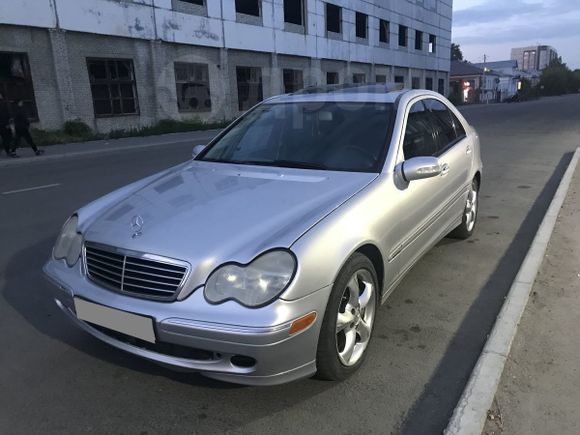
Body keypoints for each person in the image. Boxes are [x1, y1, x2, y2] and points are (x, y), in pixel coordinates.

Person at [0, 92, 17, 158]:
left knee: (7, 138)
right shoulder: (2, 105)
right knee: (6, 138)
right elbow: (4, 115)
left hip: (5, 124)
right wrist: (6, 124)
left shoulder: (3, 104)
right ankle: (7, 151)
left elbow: (7, 114)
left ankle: (5, 149)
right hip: (3, 125)